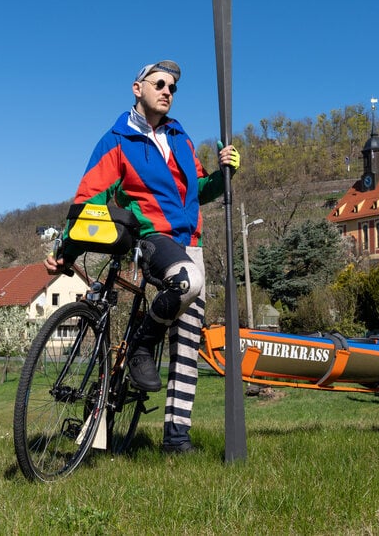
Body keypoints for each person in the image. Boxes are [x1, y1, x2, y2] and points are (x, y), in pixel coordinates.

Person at [45, 59, 239, 454]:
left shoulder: (180, 137)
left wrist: (222, 175)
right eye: (160, 83)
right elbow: (87, 201)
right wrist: (65, 251)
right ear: (138, 88)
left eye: (173, 87)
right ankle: (141, 346)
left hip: (191, 242)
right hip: (151, 238)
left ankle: (177, 439)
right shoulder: (117, 140)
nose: (168, 91)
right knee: (188, 281)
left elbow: (197, 190)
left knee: (187, 344)